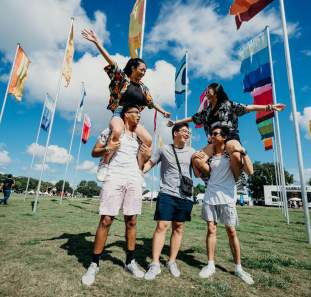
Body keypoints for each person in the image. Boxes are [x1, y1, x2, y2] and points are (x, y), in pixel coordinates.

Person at [81, 105, 151, 286]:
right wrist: (107, 148)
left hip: (134, 177)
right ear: (126, 115)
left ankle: (130, 262)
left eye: (140, 113)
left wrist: (144, 156)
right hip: (114, 176)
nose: (138, 116)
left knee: (132, 221)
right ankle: (94, 263)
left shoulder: (139, 137)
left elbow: (141, 164)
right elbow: (93, 152)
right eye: (135, 112)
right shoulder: (111, 131)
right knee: (106, 220)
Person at [81, 29, 170, 167]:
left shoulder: (143, 88)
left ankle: (138, 168)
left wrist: (163, 111)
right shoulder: (122, 79)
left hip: (134, 118)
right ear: (133, 68)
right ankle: (105, 162)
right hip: (120, 113)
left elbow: (151, 102)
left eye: (145, 71)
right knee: (117, 131)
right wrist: (97, 43)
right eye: (142, 69)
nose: (144, 73)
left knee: (147, 140)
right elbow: (112, 63)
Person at [168, 83, 285, 180]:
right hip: (214, 142)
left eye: (209, 91)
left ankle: (237, 178)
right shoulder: (206, 111)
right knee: (197, 160)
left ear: (216, 92)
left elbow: (249, 107)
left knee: (235, 152)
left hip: (230, 137)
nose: (206, 93)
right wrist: (176, 122)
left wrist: (269, 107)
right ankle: (212, 178)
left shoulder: (228, 105)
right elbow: (192, 118)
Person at [192, 124, 254, 285]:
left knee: (231, 231)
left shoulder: (231, 155)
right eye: (211, 133)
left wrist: (243, 151)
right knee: (211, 230)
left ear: (224, 137)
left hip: (227, 197)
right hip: (211, 195)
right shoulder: (210, 156)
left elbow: (250, 171)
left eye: (215, 133)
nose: (211, 136)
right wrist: (195, 159)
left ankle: (238, 268)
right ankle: (210, 264)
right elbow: (198, 173)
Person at [142, 123, 195, 280]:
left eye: (188, 132)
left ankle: (172, 261)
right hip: (167, 193)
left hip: (185, 196)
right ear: (175, 133)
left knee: (178, 227)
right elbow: (150, 163)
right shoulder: (164, 149)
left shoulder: (192, 152)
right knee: (162, 226)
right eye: (184, 131)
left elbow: (199, 170)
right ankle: (155, 264)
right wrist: (138, 170)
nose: (187, 134)